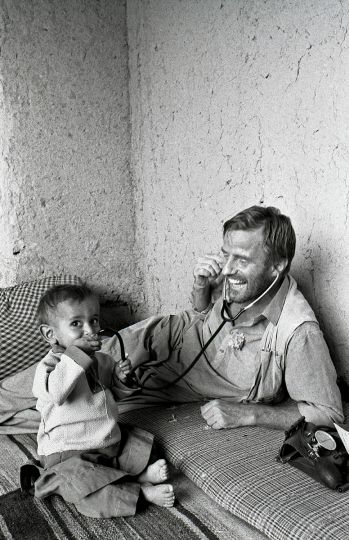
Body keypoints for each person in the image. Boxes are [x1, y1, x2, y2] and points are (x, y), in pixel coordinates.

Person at [102, 206, 344, 430]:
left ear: (277, 265)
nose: (227, 269)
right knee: (85, 363)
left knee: (100, 414)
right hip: (169, 337)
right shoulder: (243, 280)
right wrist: (201, 287)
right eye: (226, 255)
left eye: (241, 259)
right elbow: (203, 313)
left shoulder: (299, 332)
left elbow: (329, 414)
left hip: (181, 383)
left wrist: (250, 414)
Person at [23, 284, 175, 518]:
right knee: (86, 491)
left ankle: (135, 474)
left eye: (93, 320)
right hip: (69, 453)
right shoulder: (49, 367)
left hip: (104, 442)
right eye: (76, 323)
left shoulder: (101, 361)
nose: (89, 330)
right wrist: (76, 355)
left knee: (140, 443)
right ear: (50, 334)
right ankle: (140, 491)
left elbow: (113, 394)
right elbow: (57, 392)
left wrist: (120, 378)